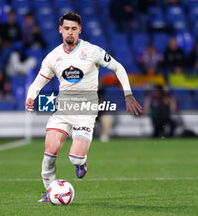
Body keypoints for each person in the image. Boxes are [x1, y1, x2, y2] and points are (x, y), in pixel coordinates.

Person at [25, 12, 142, 202]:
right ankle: (50, 192)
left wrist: (127, 94)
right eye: (66, 29)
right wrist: (31, 96)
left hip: (86, 111)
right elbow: (38, 82)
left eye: (73, 29)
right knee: (50, 152)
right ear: (60, 30)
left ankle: (82, 162)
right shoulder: (53, 57)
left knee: (74, 159)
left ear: (80, 30)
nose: (69, 33)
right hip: (62, 110)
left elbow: (118, 68)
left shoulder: (92, 51)